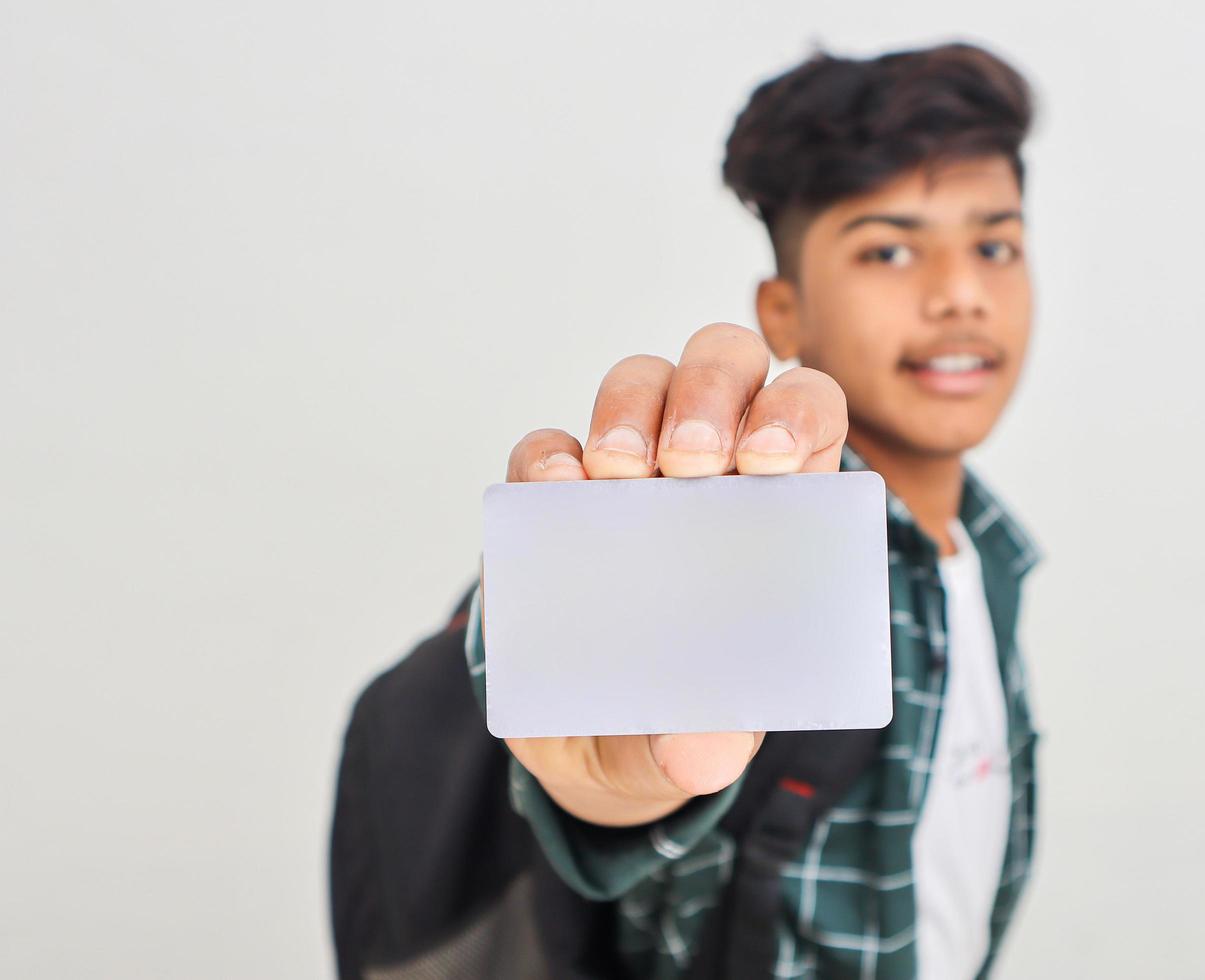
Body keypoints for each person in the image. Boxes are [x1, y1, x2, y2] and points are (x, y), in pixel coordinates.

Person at [331, 40, 1042, 980]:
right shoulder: (731, 537)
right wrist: (610, 791)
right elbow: (612, 796)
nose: (960, 295)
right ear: (782, 313)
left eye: (994, 244)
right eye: (889, 249)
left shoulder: (988, 555)